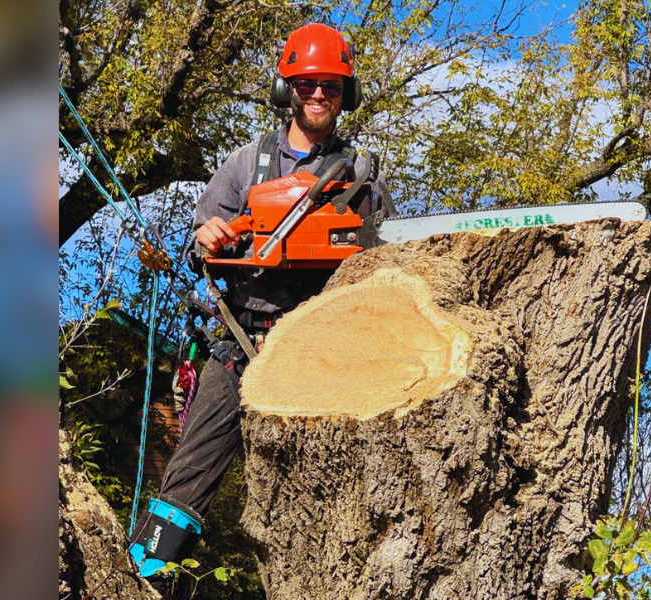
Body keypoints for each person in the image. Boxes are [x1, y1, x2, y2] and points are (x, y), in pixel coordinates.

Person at [127, 23, 396, 592]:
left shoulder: (362, 176)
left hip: (321, 351)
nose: (317, 95)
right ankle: (150, 571)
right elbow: (202, 231)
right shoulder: (247, 164)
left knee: (326, 493)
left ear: (346, 92)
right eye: (305, 85)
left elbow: (377, 264)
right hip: (242, 337)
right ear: (285, 90)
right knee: (191, 469)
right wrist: (211, 234)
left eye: (329, 85)